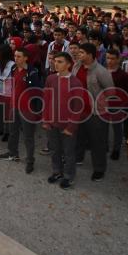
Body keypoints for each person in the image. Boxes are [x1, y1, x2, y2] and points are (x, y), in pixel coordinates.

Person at [73, 42, 115, 182]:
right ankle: (78, 158)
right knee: (79, 136)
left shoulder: (101, 71)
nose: (79, 54)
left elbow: (111, 92)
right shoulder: (76, 66)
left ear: (90, 55)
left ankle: (99, 169)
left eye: (82, 53)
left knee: (98, 141)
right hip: (79, 109)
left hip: (97, 112)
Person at [43, 52, 86, 189]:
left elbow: (78, 107)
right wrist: (45, 120)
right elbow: (46, 100)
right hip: (52, 122)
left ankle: (69, 176)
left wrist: (71, 127)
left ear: (68, 64)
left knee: (68, 152)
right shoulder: (50, 79)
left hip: (67, 125)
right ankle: (57, 172)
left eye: (60, 61)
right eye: (55, 61)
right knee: (55, 150)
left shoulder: (75, 82)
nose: (56, 63)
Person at [1, 48, 42, 173]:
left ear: (26, 58)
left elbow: (37, 92)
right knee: (12, 131)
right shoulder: (14, 69)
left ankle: (30, 160)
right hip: (14, 106)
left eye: (19, 56)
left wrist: (37, 112)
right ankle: (12, 153)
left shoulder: (32, 72)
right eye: (15, 56)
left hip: (27, 109)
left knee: (28, 136)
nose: (16, 58)